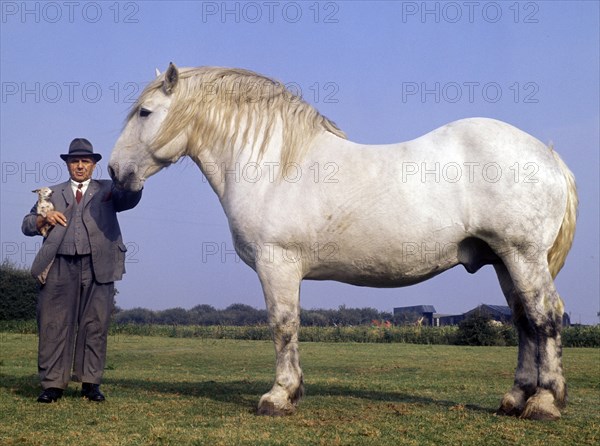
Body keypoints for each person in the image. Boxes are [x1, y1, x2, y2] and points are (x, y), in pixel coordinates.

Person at [22, 138, 142, 403]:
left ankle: (90, 384)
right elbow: (27, 225)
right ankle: (53, 385)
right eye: (74, 161)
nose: (79, 166)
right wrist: (44, 218)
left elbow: (130, 197)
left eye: (85, 161)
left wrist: (135, 176)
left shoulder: (109, 190)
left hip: (99, 266)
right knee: (53, 324)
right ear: (67, 164)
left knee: (95, 325)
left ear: (94, 165)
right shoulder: (50, 193)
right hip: (59, 266)